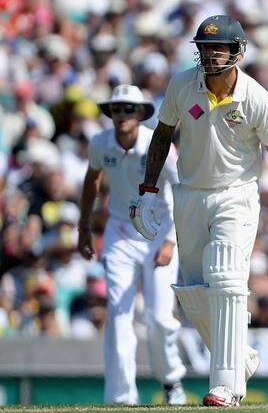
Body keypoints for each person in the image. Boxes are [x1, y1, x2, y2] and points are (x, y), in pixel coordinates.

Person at [130, 14, 268, 407]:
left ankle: (228, 386)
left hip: (236, 194)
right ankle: (241, 358)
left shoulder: (256, 98)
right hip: (189, 195)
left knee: (226, 278)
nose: (211, 53)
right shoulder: (183, 85)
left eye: (219, 47)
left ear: (237, 51)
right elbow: (163, 136)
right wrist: (148, 190)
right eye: (205, 46)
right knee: (192, 292)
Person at [78, 84, 186, 405]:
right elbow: (91, 180)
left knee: (158, 317)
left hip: (158, 232)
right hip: (120, 234)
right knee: (119, 314)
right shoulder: (100, 143)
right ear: (110, 112)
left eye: (129, 109)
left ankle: (171, 381)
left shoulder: (158, 144)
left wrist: (170, 240)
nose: (122, 115)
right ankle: (122, 398)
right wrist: (84, 226)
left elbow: (181, 192)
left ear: (140, 114)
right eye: (117, 108)